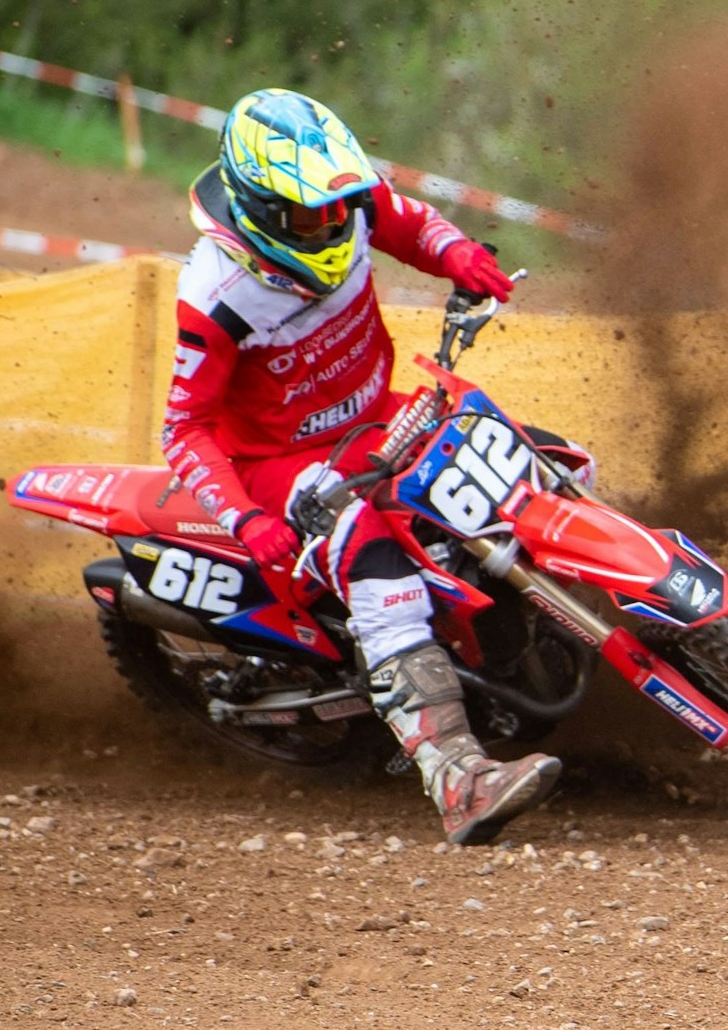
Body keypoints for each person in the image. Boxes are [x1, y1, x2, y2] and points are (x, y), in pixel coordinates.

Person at [162, 87, 560, 844]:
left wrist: (458, 254)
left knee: (530, 460)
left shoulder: (345, 201)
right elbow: (184, 429)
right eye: (315, 215)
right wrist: (247, 517)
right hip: (282, 464)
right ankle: (459, 778)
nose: (336, 222)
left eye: (342, 205)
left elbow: (405, 220)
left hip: (378, 415)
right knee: (381, 572)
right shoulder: (215, 296)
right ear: (263, 210)